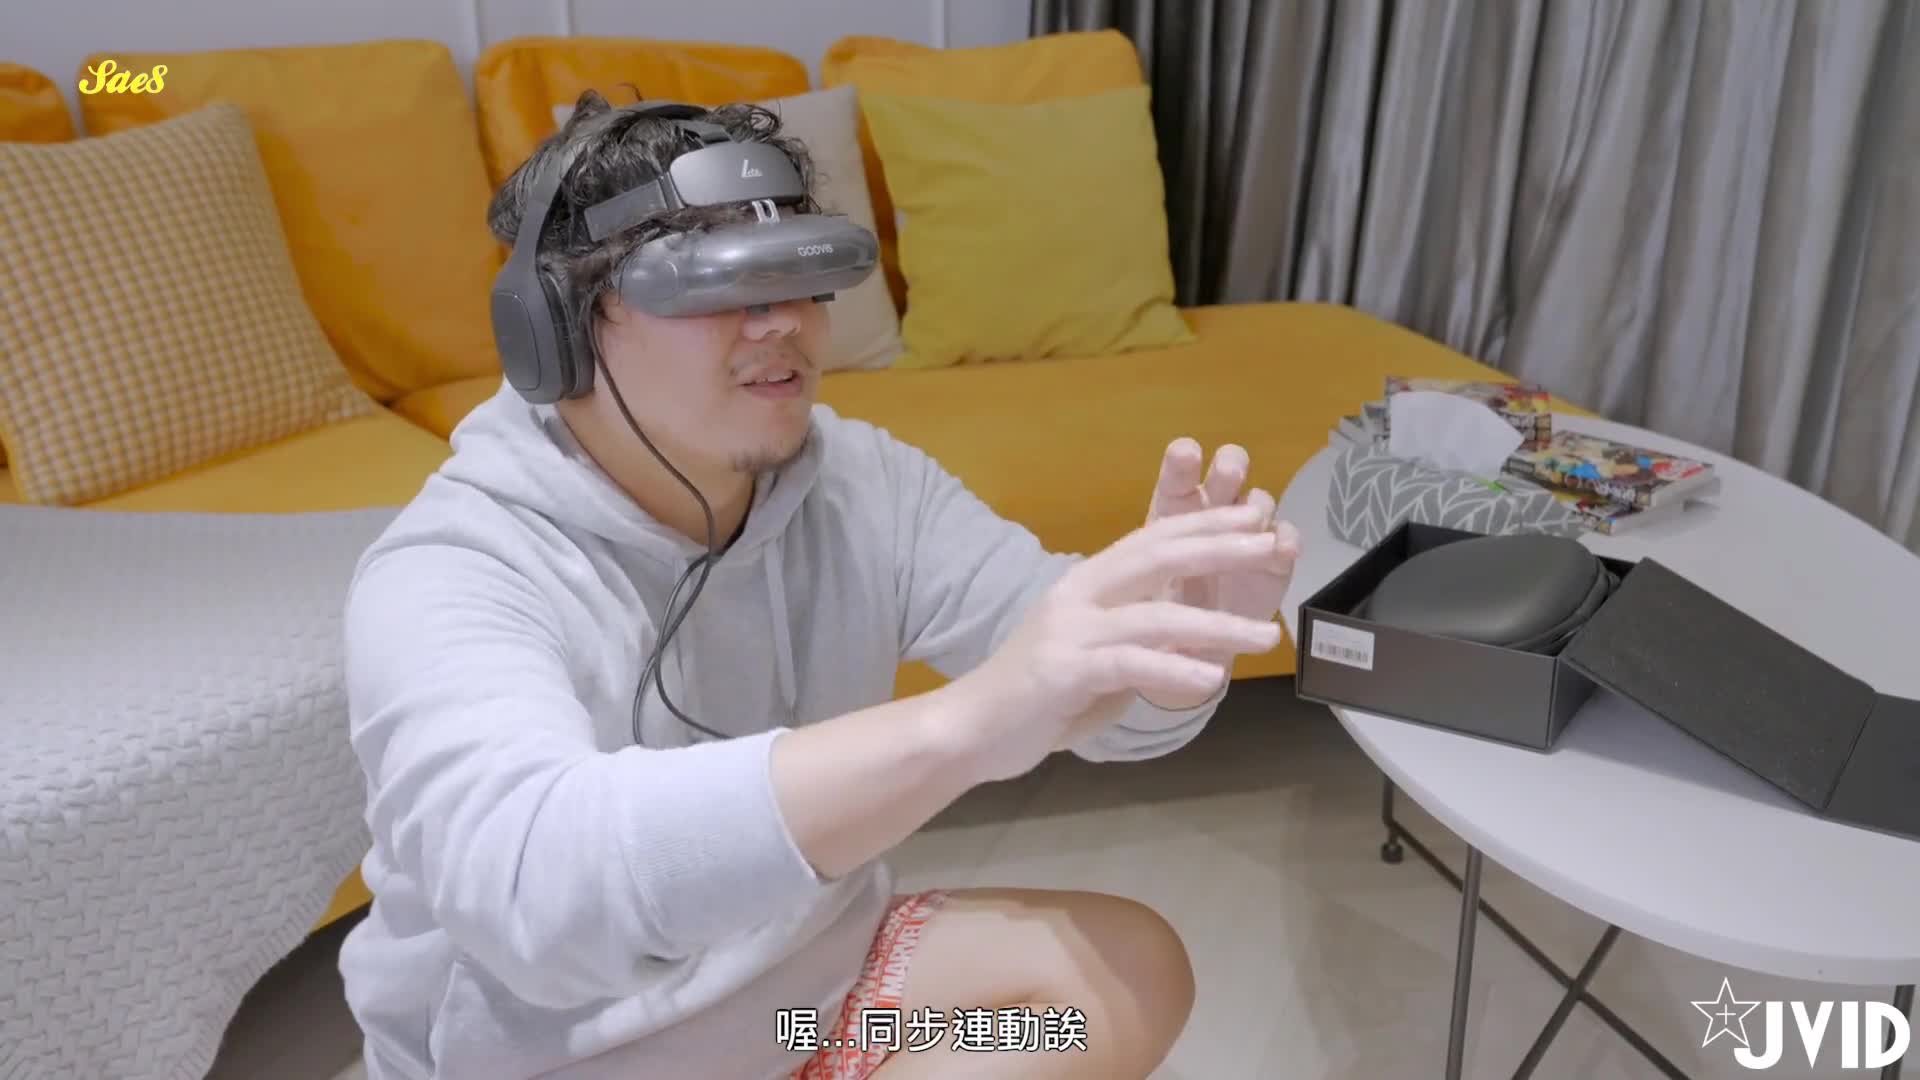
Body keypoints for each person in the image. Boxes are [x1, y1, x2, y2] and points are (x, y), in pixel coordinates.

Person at [336, 92, 1302, 1080]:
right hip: (560, 1054)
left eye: (801, 278)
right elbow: (537, 898)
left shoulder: (862, 483)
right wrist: (965, 725)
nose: (782, 325)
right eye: (718, 285)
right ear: (562, 328)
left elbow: (1083, 691)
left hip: (801, 1014)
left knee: (1117, 982)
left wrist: (1169, 650)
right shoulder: (451, 571)